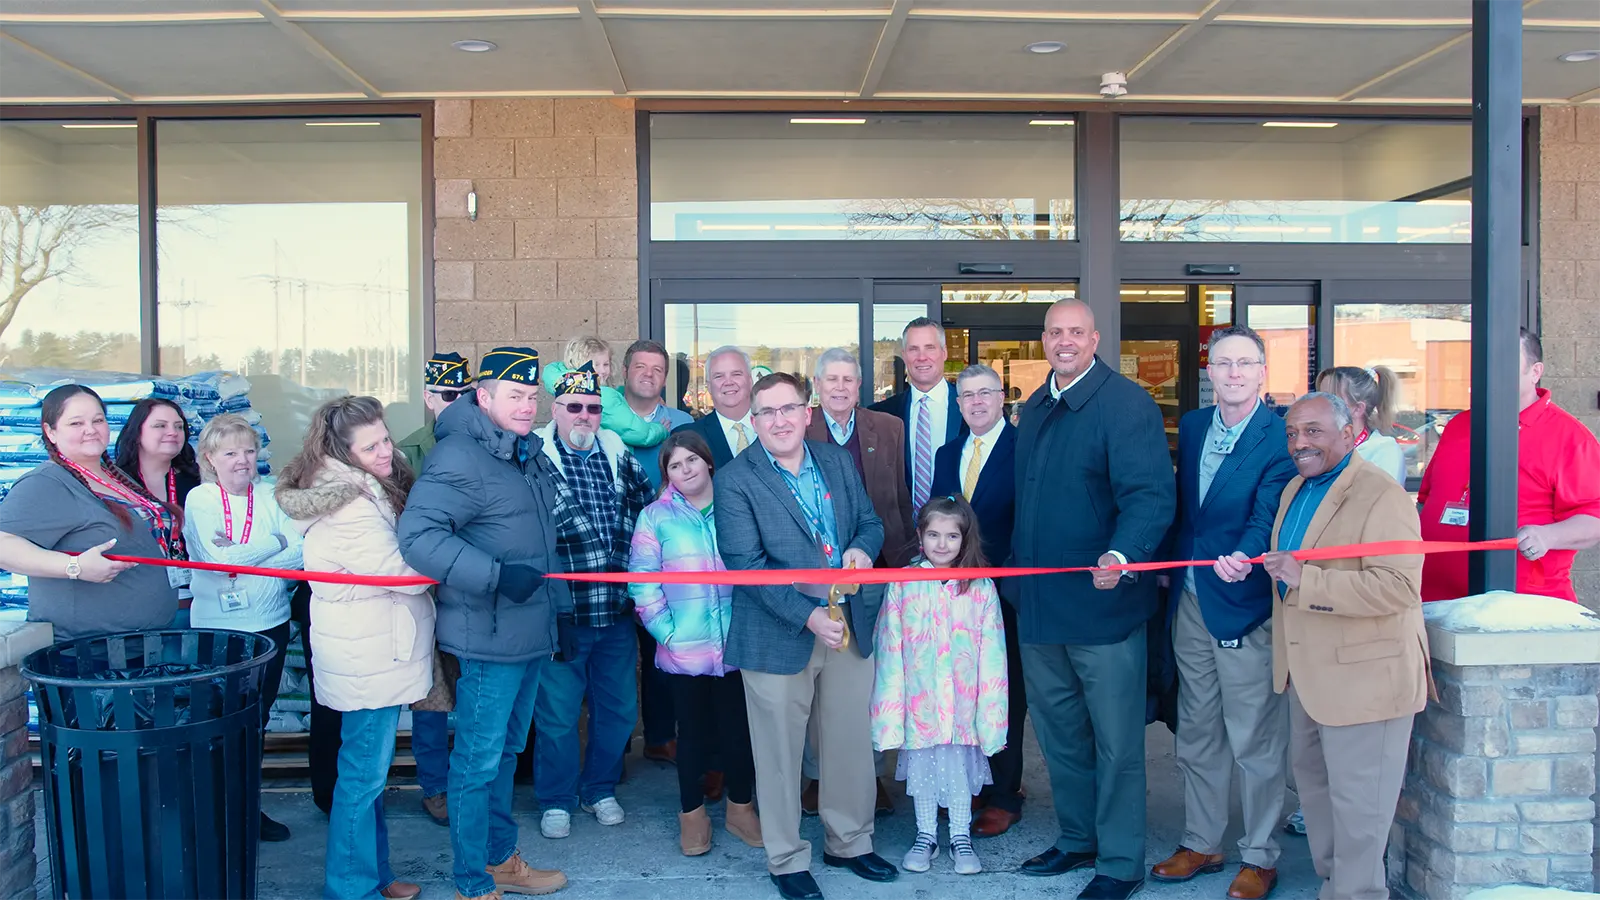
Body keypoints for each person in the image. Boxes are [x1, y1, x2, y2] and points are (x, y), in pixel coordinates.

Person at [1224, 391, 1427, 900]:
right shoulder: (1297, 488)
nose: (1299, 443)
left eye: (1313, 431)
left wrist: (1304, 579)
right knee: (1317, 800)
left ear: (1348, 431)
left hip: (1365, 683)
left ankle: (1358, 893)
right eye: (1292, 433)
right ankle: (1335, 888)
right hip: (1307, 678)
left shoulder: (1380, 495)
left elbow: (1399, 588)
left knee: (1361, 812)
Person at [1011, 299, 1175, 900]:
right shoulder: (1036, 404)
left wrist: (1122, 554)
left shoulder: (1126, 403)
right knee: (1059, 736)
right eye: (1056, 332)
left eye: (1076, 332)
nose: (1065, 341)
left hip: (1104, 611)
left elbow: (1151, 496)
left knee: (1116, 742)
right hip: (1040, 608)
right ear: (1045, 339)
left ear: (1095, 338)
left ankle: (1121, 860)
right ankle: (1078, 838)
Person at [397, 346, 570, 900]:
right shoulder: (460, 456)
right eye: (515, 396)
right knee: (475, 762)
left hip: (529, 635)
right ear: (484, 396)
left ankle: (499, 859)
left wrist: (554, 618)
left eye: (532, 396)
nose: (527, 406)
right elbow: (418, 538)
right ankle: (472, 883)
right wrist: (494, 576)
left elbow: (540, 539)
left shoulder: (524, 450)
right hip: (487, 637)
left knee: (504, 755)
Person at [716, 372, 897, 900]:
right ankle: (787, 858)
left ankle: (851, 842)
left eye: (788, 409)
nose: (779, 420)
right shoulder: (736, 478)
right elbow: (745, 567)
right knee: (778, 752)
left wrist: (862, 549)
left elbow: (870, 521)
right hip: (778, 631)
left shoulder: (836, 461)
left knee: (848, 744)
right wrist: (807, 615)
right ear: (754, 420)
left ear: (807, 411)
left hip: (846, 621)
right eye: (767, 412)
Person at [1150, 326, 1296, 899]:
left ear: (1263, 371)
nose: (1234, 373)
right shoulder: (1190, 427)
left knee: (1256, 738)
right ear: (1209, 371)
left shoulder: (1278, 435)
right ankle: (1201, 840)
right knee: (1197, 731)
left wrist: (1250, 554)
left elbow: (1269, 510)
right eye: (1224, 363)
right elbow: (1189, 511)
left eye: (1246, 364)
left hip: (1244, 604)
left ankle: (1260, 855)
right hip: (1188, 599)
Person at [276, 396, 434, 900]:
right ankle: (350, 888)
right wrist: (457, 563)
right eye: (371, 447)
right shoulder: (348, 506)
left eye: (386, 439)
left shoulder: (363, 488)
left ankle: (375, 876)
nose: (386, 451)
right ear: (342, 452)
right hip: (368, 655)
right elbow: (404, 575)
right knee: (363, 778)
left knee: (369, 776)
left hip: (375, 647)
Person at [530, 362, 653, 839]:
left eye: (594, 408)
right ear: (555, 410)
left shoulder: (619, 454)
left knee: (620, 709)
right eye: (575, 407)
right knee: (558, 715)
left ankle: (599, 788)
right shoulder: (534, 458)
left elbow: (649, 511)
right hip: (564, 612)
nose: (584, 416)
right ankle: (555, 798)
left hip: (617, 611)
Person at [628, 430, 762, 857]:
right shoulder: (655, 517)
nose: (685, 470)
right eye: (674, 465)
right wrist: (668, 633)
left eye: (691, 460)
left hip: (738, 645)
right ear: (667, 474)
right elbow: (643, 582)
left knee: (739, 735)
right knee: (693, 738)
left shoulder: (736, 505)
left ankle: (742, 812)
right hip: (684, 649)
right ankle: (692, 816)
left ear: (708, 462)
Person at [182, 412, 305, 844]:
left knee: (258, 720)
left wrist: (248, 553)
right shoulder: (200, 498)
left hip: (269, 624)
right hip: (219, 631)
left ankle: (249, 808)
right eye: (231, 452)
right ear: (211, 458)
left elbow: (302, 553)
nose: (242, 460)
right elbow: (219, 563)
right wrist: (273, 543)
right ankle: (216, 810)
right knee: (220, 721)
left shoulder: (271, 495)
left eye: (249, 451)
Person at [801, 347, 913, 817]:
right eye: (832, 380)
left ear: (860, 384)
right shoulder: (799, 426)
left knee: (871, 677)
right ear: (818, 385)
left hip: (879, 568)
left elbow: (898, 498)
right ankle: (815, 775)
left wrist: (907, 561)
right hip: (818, 573)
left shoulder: (888, 428)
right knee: (819, 676)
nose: (841, 387)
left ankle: (869, 774)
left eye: (849, 379)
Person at [870, 494, 1007, 877]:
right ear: (920, 535)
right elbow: (890, 643)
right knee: (925, 771)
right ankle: (926, 834)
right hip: (922, 701)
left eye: (951, 536)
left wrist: (991, 708)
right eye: (933, 535)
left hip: (964, 703)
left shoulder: (979, 587)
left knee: (960, 772)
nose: (942, 545)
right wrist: (890, 707)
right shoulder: (905, 583)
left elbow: (993, 649)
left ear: (965, 539)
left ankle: (960, 835)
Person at [1418, 328, 1600, 603]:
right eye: (1484, 364)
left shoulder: (1570, 438)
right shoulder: (1459, 426)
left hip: (1520, 611)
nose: (1492, 373)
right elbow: (1426, 500)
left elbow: (1594, 518)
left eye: (1504, 364)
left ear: (1535, 372)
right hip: (1434, 602)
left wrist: (1547, 536)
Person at [0, 384, 179, 640]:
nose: (90, 430)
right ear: (50, 432)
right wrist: (74, 566)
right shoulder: (47, 482)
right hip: (88, 655)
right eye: (76, 423)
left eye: (98, 420)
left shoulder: (113, 476)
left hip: (142, 645)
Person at [928, 363, 1023, 837]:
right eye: (967, 396)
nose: (977, 402)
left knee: (1004, 691)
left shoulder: (1023, 448)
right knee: (961, 686)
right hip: (954, 596)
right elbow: (937, 518)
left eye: (986, 393)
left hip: (1005, 593)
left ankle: (1006, 793)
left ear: (1001, 397)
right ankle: (970, 783)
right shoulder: (948, 453)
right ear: (959, 403)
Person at [395, 351, 475, 827]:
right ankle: (436, 786)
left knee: (475, 695)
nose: (456, 403)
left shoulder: (488, 443)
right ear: (428, 397)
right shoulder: (407, 454)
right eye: (448, 395)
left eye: (463, 395)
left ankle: (470, 784)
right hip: (427, 590)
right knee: (431, 696)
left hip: (474, 591)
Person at [619, 339, 694, 772]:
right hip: (613, 552)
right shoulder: (606, 420)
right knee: (615, 654)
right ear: (625, 371)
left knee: (661, 643)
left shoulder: (681, 422)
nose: (649, 374)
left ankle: (662, 737)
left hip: (670, 553)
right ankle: (609, 753)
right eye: (641, 366)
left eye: (658, 369)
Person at [114, 397, 202, 621]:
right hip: (134, 602)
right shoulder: (114, 483)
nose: (172, 432)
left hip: (194, 601)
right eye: (160, 425)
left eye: (179, 426)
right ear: (137, 432)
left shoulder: (200, 481)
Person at [868, 317, 967, 513]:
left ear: (944, 353)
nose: (922, 357)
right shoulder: (880, 415)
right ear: (904, 355)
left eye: (930, 347)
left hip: (958, 535)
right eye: (914, 349)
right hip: (899, 536)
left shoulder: (971, 409)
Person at [542, 335, 673, 455]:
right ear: (579, 364)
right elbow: (637, 432)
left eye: (606, 364)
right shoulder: (606, 396)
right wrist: (660, 430)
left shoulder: (564, 383)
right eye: (595, 364)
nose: (603, 370)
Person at [1314, 366, 1405, 483]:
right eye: (1319, 398)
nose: (1318, 407)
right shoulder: (1317, 446)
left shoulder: (1384, 451)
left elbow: (1375, 499)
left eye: (1331, 400)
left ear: (1357, 409)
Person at [674, 345, 756, 467]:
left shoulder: (775, 427)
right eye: (719, 376)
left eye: (736, 374)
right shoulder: (686, 438)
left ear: (750, 381)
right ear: (709, 386)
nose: (728, 382)